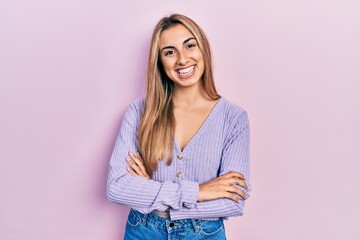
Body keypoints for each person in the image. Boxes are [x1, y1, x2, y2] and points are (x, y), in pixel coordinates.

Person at [107, 13, 252, 240]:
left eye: (190, 46)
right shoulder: (139, 112)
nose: (182, 60)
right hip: (144, 231)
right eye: (170, 52)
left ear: (203, 49)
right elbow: (117, 186)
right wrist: (200, 192)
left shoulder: (233, 118)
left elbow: (233, 201)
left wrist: (152, 195)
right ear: (160, 62)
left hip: (204, 234)